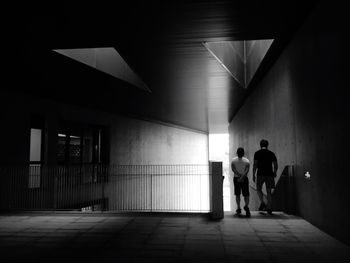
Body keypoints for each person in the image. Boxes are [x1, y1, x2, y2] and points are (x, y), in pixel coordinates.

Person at [253, 139, 278, 215]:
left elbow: (255, 165)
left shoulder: (257, 153)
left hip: (260, 174)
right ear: (267, 145)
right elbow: (275, 165)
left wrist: (253, 174)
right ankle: (269, 208)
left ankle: (262, 202)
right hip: (269, 174)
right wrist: (274, 172)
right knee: (269, 192)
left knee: (258, 189)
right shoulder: (271, 153)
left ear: (260, 145)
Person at [231, 147, 251, 217]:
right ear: (243, 153)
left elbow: (233, 169)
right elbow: (247, 170)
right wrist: (242, 177)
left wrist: (239, 176)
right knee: (246, 194)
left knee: (237, 194)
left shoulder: (233, 160)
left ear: (237, 153)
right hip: (244, 179)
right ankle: (246, 206)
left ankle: (239, 207)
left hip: (236, 178)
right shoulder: (247, 161)